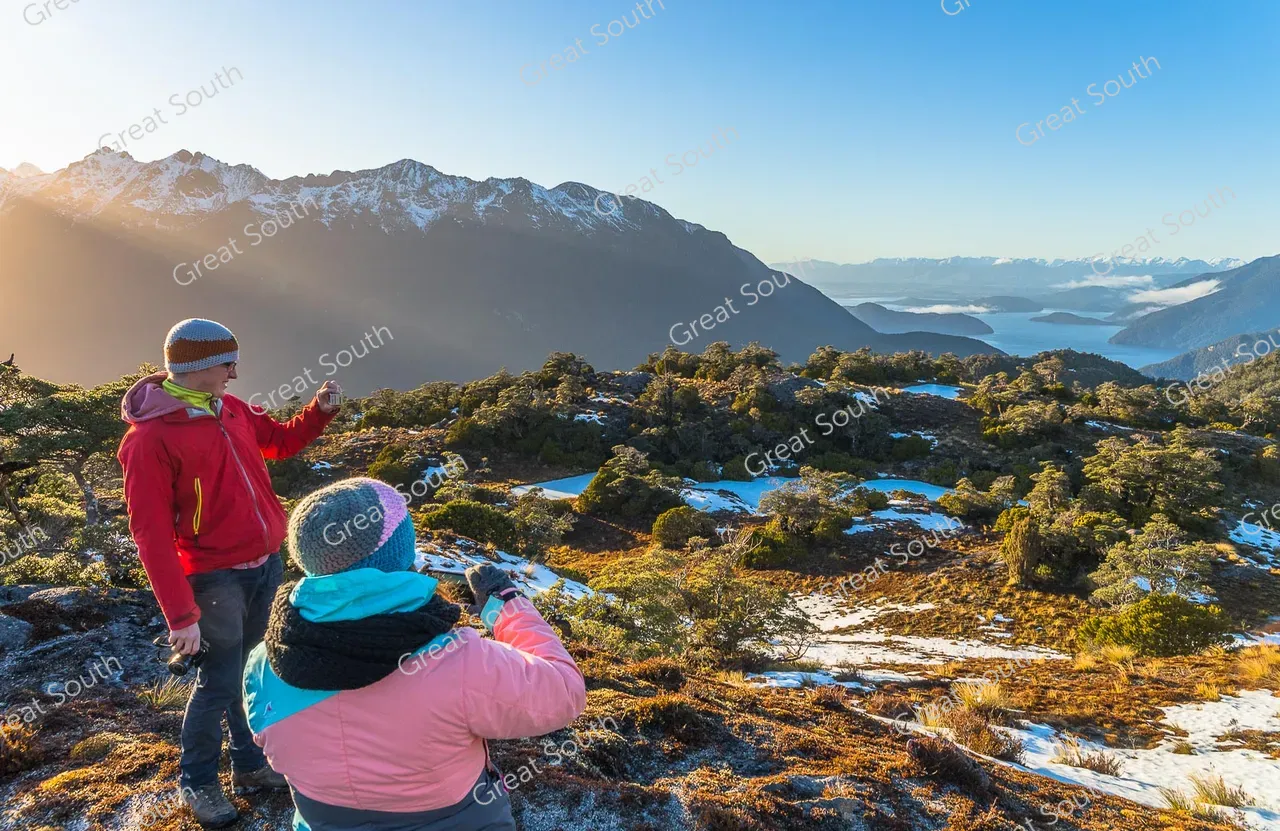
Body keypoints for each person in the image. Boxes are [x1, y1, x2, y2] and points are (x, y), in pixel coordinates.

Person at [243, 477, 587, 831]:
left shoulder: (264, 661)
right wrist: (508, 606)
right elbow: (563, 693)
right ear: (397, 552)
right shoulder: (457, 658)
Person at [118, 318, 342, 828]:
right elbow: (150, 536)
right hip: (213, 577)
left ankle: (248, 765)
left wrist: (318, 414)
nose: (236, 373)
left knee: (251, 669)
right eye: (228, 363)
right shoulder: (148, 440)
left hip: (264, 563)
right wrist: (181, 616)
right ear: (199, 368)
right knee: (218, 683)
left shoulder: (231, 408)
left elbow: (279, 444)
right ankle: (197, 782)